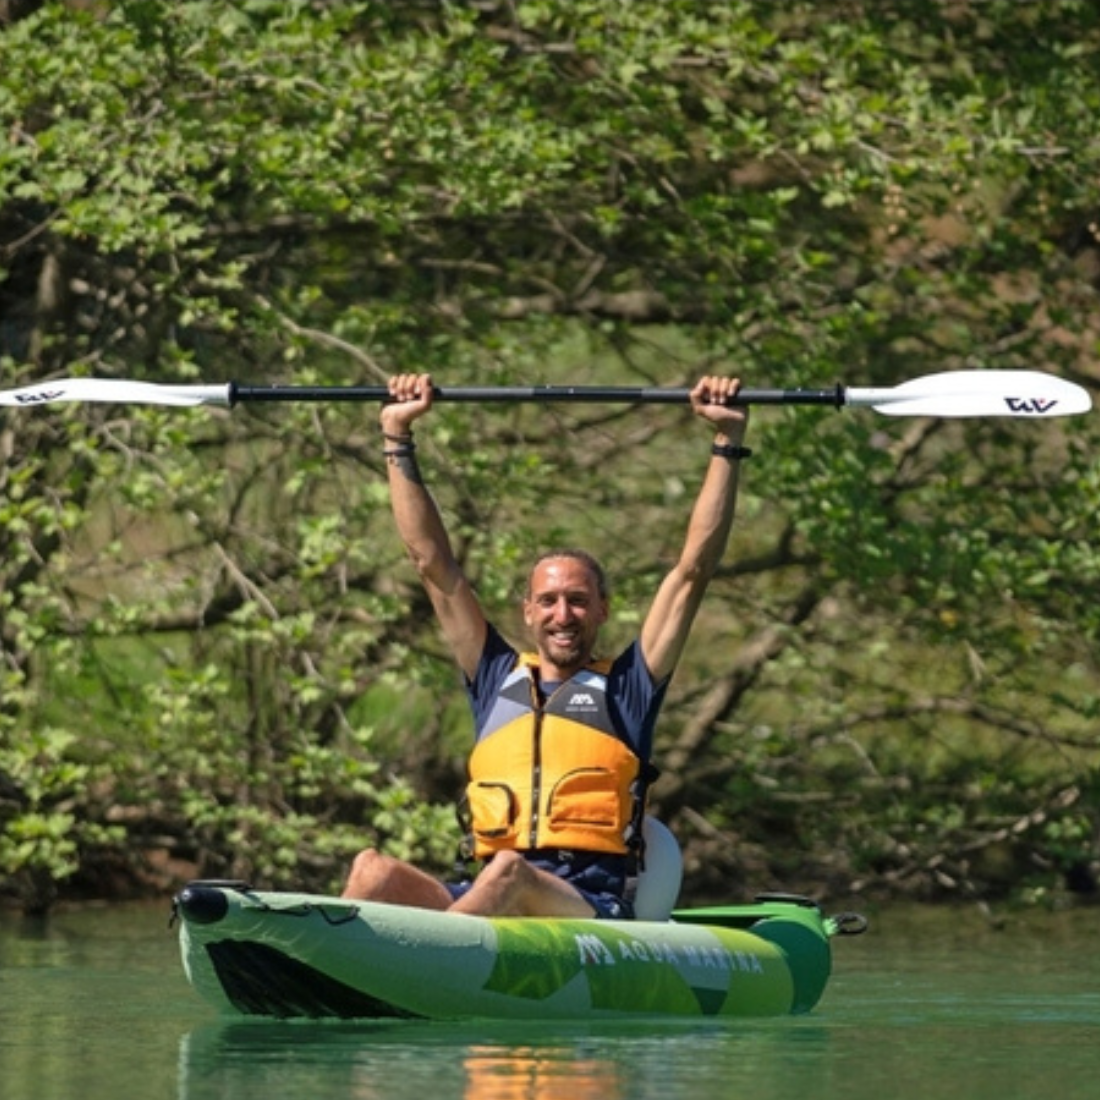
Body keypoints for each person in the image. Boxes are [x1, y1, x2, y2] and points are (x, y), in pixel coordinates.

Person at [341, 372, 750, 919]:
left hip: (587, 900)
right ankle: (316, 966)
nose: (564, 615)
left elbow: (692, 571)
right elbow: (430, 563)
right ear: (528, 611)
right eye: (549, 600)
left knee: (509, 871)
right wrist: (396, 435)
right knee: (372, 868)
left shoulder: (628, 687)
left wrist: (726, 442)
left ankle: (435, 966)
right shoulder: (495, 678)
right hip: (488, 890)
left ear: (603, 609)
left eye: (579, 600)